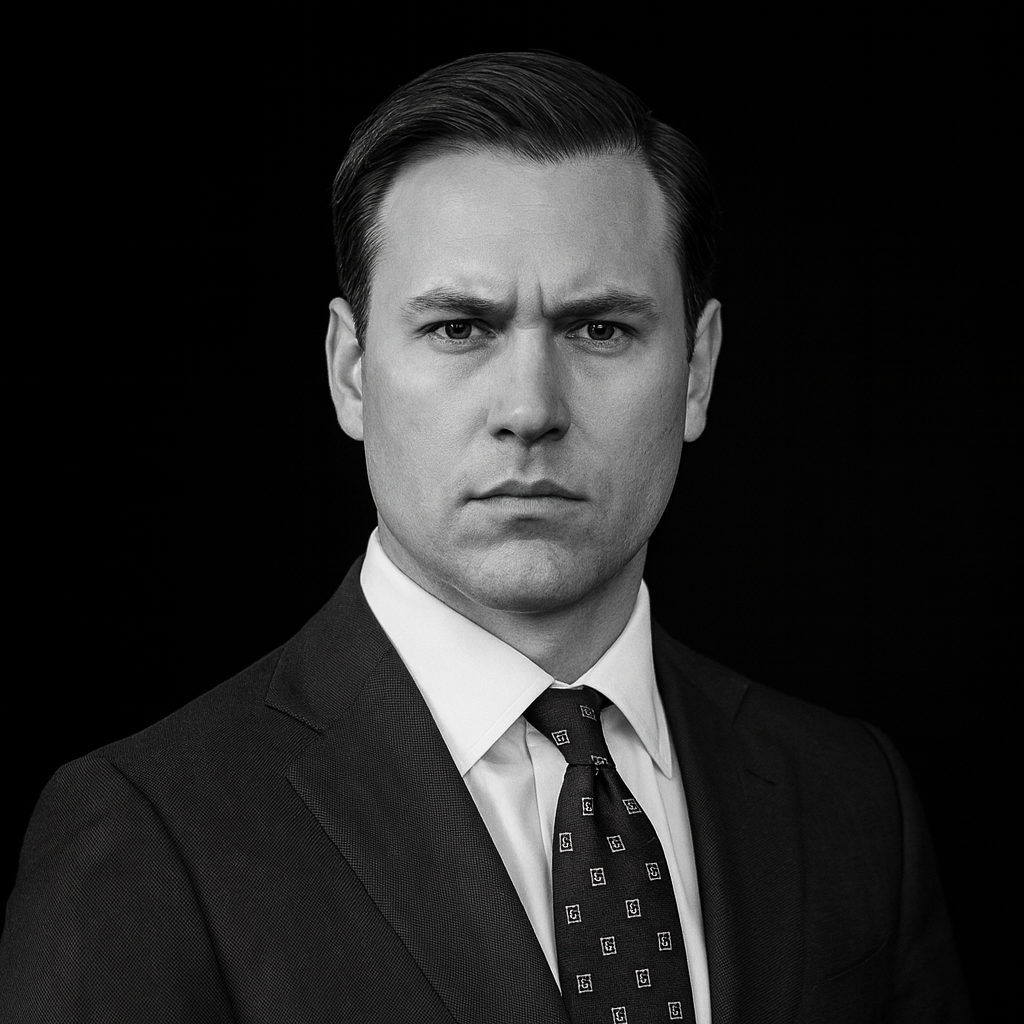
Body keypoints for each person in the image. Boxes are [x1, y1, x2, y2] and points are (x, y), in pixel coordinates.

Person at [0, 51, 971, 1022]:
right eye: (460, 328)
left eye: (599, 329)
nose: (529, 409)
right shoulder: (145, 834)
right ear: (349, 371)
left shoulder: (851, 797)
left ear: (698, 371)